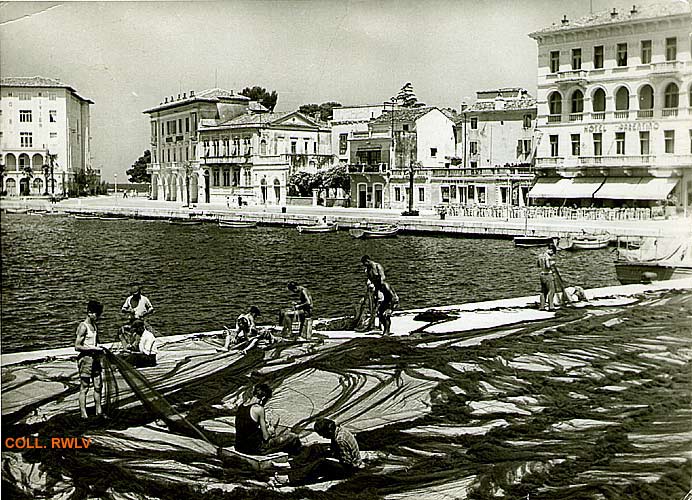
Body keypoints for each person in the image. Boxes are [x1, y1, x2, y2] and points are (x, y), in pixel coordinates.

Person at [274, 417, 363, 486]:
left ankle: (290, 478)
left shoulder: (340, 440)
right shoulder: (337, 429)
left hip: (349, 469)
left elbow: (347, 462)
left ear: (329, 431)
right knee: (316, 447)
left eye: (324, 435)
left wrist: (328, 459)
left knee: (321, 462)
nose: (324, 437)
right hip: (341, 456)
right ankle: (291, 464)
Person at [234, 383, 302, 456]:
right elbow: (266, 438)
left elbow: (246, 426)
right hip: (255, 449)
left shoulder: (242, 406)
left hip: (239, 446)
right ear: (263, 398)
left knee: (279, 434)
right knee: (293, 436)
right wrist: (270, 432)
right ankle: (297, 458)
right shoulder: (259, 409)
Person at [75, 300, 105, 420]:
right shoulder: (83, 326)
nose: (98, 317)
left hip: (95, 359)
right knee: (85, 387)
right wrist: (93, 348)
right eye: (96, 314)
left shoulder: (94, 325)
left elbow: (95, 342)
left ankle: (99, 410)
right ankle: (83, 413)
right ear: (89, 312)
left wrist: (99, 348)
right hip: (86, 360)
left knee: (98, 386)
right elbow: (77, 346)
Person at [538, 244, 557, 312]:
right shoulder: (547, 257)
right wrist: (552, 263)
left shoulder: (540, 255)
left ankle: (542, 306)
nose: (552, 255)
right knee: (551, 291)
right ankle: (551, 307)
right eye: (553, 253)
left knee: (543, 291)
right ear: (551, 250)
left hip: (542, 274)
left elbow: (538, 265)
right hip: (548, 274)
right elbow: (548, 266)